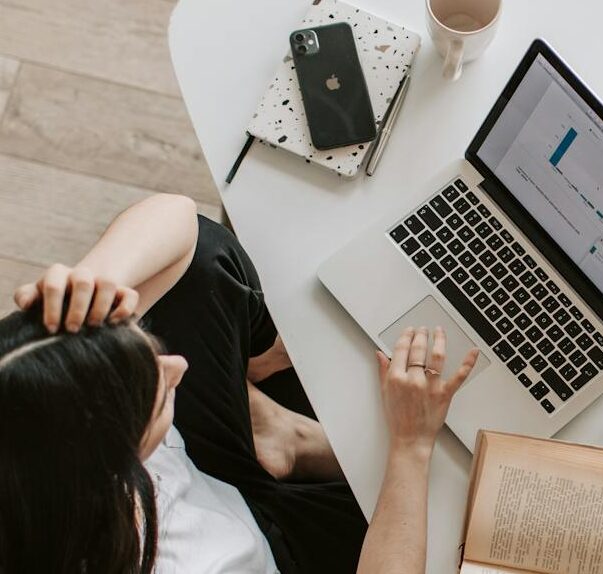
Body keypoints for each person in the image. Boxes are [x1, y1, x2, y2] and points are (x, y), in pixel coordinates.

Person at [0, 194, 478, 574]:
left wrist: (95, 281)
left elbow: (181, 223)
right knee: (454, 520)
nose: (178, 367)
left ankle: (279, 437)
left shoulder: (32, 424)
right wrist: (411, 446)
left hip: (210, 487)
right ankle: (287, 433)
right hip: (287, 558)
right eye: (154, 387)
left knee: (205, 259)